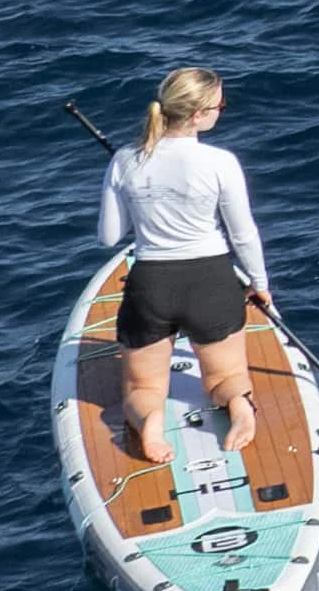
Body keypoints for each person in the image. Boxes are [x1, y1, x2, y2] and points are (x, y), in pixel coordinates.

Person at [100, 66, 270, 464]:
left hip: (151, 286)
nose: (221, 111)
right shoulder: (221, 162)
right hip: (211, 282)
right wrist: (259, 283)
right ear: (197, 115)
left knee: (142, 388)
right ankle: (239, 407)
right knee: (226, 378)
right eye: (219, 106)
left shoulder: (125, 159)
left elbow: (109, 237)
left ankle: (151, 421)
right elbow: (243, 235)